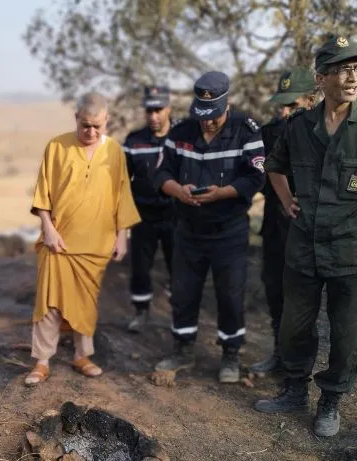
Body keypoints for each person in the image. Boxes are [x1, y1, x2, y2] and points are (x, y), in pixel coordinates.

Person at [254, 36, 357, 437]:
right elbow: (274, 166)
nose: (351, 76)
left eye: (356, 69)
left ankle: (331, 399)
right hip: (302, 248)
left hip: (350, 250)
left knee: (347, 335)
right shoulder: (300, 126)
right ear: (320, 79)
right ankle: (295, 389)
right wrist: (285, 200)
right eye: (342, 69)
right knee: (295, 326)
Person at [152, 71, 266, 383]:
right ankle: (183, 348)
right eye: (202, 116)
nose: (207, 123)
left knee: (230, 294)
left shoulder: (246, 129)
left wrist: (221, 194)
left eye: (213, 117)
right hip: (188, 230)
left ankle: (230, 353)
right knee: (184, 292)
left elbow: (256, 176)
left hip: (229, 231)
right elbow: (161, 173)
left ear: (225, 105)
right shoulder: (181, 131)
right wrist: (179, 191)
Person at [24, 92, 140, 386]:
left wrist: (121, 237)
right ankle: (41, 361)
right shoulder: (57, 147)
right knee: (48, 302)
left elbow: (122, 197)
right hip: (59, 241)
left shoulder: (114, 151)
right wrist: (48, 229)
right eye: (85, 125)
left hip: (96, 244)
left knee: (86, 302)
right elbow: (43, 192)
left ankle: (82, 355)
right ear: (76, 118)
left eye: (97, 127)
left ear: (106, 121)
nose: (91, 132)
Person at [250, 67, 318, 375]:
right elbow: (261, 178)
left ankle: (298, 368)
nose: (285, 111)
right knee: (274, 292)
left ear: (311, 99)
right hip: (275, 229)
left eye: (293, 105)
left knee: (302, 301)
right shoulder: (269, 131)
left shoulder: (325, 133)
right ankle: (278, 353)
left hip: (308, 231)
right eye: (282, 104)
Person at [122, 85, 176, 332]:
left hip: (176, 214)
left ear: (169, 108)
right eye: (149, 111)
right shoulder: (134, 141)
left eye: (158, 110)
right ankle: (141, 312)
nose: (154, 116)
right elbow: (122, 182)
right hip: (143, 215)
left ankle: (180, 314)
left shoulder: (183, 137)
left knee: (180, 265)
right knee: (140, 266)